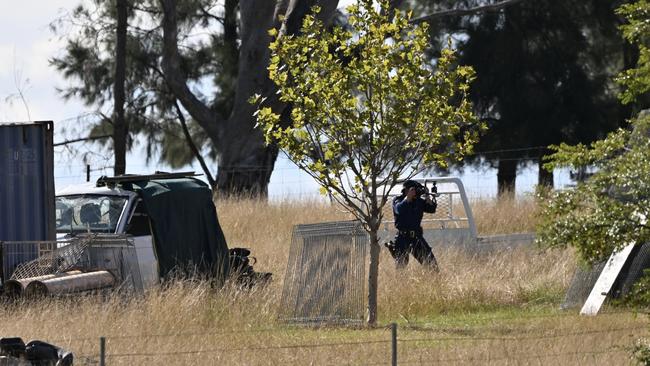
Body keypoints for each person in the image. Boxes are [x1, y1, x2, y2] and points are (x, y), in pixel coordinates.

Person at [385, 180, 439, 270]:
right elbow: (399, 209)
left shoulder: (419, 201)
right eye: (413, 190)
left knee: (432, 266)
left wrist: (427, 196)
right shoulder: (398, 200)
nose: (416, 192)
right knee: (401, 269)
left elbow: (431, 209)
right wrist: (408, 198)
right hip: (402, 238)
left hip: (416, 237)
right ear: (406, 190)